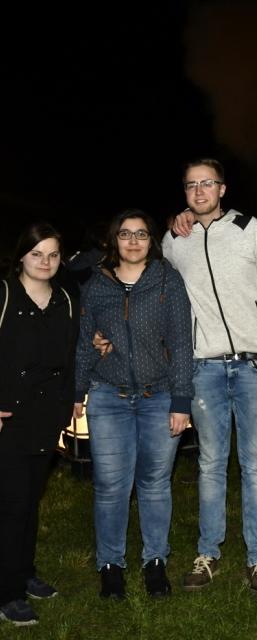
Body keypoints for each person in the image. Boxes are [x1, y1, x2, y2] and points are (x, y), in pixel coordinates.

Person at [162, 158, 257, 598]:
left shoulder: (248, 228)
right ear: (184, 192)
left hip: (256, 365)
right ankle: (208, 553)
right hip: (205, 367)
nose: (199, 191)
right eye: (191, 185)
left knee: (255, 466)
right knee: (211, 464)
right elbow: (153, 287)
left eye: (207, 183)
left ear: (222, 188)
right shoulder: (175, 240)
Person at [74, 209, 193, 599]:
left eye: (141, 234)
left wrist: (181, 400)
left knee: (155, 484)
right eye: (125, 234)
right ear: (114, 240)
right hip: (108, 397)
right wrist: (77, 392)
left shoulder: (167, 280)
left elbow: (182, 342)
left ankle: (155, 561)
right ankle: (111, 565)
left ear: (151, 240)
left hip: (159, 396)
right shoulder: (97, 285)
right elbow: (85, 340)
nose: (133, 241)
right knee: (110, 486)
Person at [0, 223, 77, 627]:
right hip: (8, 417)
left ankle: (23, 571)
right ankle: (7, 592)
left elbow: (70, 353)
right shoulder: (4, 294)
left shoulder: (65, 299)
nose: (45, 262)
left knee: (30, 500)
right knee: (12, 503)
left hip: (47, 415)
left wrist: (71, 401)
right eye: (37, 254)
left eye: (53, 254)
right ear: (22, 256)